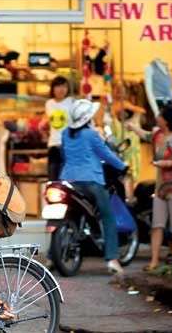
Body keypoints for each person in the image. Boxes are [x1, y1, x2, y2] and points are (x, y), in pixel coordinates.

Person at [60, 99, 127, 274]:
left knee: (69, 214)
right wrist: (122, 166)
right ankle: (112, 259)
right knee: (108, 217)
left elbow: (64, 155)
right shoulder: (91, 135)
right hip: (90, 181)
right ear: (87, 118)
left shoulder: (65, 134)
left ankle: (54, 257)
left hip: (68, 181)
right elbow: (106, 154)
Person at [125, 104, 172, 271]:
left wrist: (166, 163)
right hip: (160, 187)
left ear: (167, 120)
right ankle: (154, 262)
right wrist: (132, 127)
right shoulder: (157, 134)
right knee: (157, 225)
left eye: (160, 115)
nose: (157, 116)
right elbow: (146, 135)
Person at [45, 76, 75, 180]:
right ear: (53, 88)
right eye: (58, 86)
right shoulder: (49, 104)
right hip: (53, 144)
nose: (61, 89)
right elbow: (48, 122)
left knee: (65, 179)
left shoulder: (71, 102)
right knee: (53, 178)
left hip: (68, 145)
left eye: (64, 86)